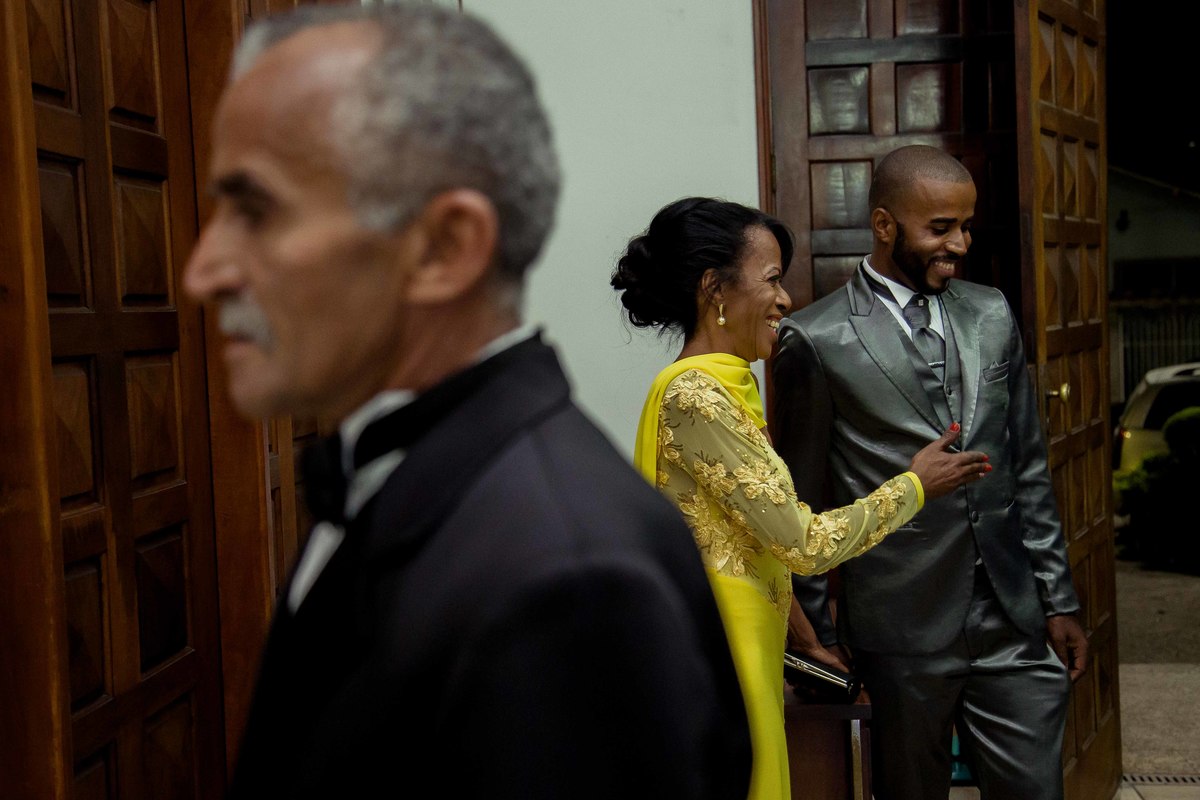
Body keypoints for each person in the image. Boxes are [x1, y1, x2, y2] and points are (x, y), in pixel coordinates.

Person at [184, 7, 752, 798]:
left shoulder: (570, 584)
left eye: (258, 211)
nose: (203, 271)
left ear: (445, 248)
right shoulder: (412, 473)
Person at [612, 197, 989, 800]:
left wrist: (807, 640)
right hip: (724, 649)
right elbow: (802, 542)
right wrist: (916, 485)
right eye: (772, 280)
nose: (786, 300)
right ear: (715, 289)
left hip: (748, 638)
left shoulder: (722, 387)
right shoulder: (699, 398)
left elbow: (754, 537)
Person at [772, 145, 1089, 800]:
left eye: (966, 226)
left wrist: (1057, 598)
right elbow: (800, 503)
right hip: (899, 626)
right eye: (939, 228)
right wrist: (814, 642)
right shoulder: (816, 338)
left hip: (1010, 617)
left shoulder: (992, 314)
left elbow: (1027, 463)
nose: (960, 244)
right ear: (885, 225)